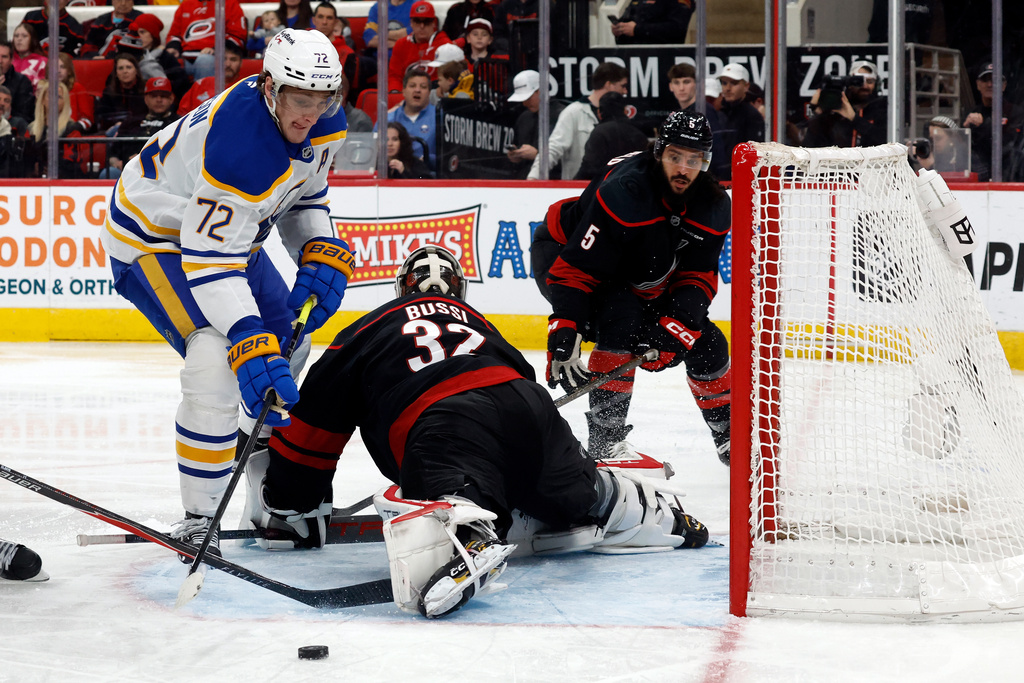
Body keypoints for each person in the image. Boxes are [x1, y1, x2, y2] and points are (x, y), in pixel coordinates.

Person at [247, 244, 709, 618]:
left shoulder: (366, 328)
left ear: (399, 288)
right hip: (530, 410)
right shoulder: (480, 323)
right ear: (459, 291)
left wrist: (292, 508)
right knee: (573, 491)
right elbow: (520, 381)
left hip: (446, 422)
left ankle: (463, 528)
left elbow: (313, 427)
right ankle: (636, 506)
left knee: (454, 483)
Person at [100, 29, 352, 561]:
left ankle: (239, 444)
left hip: (228, 233)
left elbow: (306, 194)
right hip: (156, 238)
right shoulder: (240, 147)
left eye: (321, 100)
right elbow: (210, 262)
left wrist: (319, 246)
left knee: (289, 339)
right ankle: (198, 517)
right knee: (216, 358)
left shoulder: (323, 119)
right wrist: (244, 334)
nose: (310, 113)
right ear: (270, 87)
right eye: (299, 100)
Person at [532, 111, 732, 464]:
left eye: (694, 159)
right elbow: (576, 269)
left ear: (706, 161)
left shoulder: (713, 205)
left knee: (709, 342)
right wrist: (565, 323)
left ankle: (730, 436)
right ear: (658, 153)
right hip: (563, 253)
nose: (683, 169)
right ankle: (606, 442)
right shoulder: (624, 192)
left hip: (635, 274)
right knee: (620, 317)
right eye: (675, 157)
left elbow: (699, 276)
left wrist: (679, 323)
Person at [528, 62, 628, 181]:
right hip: (580, 190)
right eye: (622, 86)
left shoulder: (620, 115)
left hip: (613, 189)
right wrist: (533, 178)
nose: (625, 91)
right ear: (609, 85)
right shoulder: (573, 113)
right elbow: (553, 148)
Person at [803, 60, 886, 151]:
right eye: (858, 82)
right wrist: (817, 113)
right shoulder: (836, 109)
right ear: (849, 83)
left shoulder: (882, 110)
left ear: (877, 85)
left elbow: (887, 143)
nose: (865, 86)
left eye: (870, 81)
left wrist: (854, 119)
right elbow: (809, 149)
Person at [963, 62, 1024, 182]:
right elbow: (964, 152)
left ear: (1004, 85)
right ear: (978, 85)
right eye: (985, 80)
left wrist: (983, 126)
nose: (990, 84)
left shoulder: (1016, 113)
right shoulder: (971, 114)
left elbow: (1010, 148)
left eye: (995, 80)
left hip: (1009, 180)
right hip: (978, 180)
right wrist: (964, 131)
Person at [116, 14, 191, 105]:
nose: (138, 36)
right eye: (135, 32)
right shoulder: (126, 56)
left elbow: (181, 86)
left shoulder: (166, 57)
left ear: (153, 35)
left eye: (142, 32)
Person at [164, 0, 248, 81]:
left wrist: (216, 49)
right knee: (165, 60)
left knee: (204, 61)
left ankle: (205, 94)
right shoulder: (186, 4)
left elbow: (237, 36)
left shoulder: (229, 3)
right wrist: (173, 47)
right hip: (185, 57)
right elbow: (174, 35)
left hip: (213, 57)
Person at [109, 76, 179, 172]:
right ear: (146, 99)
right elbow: (113, 154)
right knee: (111, 172)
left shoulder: (179, 123)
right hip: (128, 171)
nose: (159, 100)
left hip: (163, 171)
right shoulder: (130, 122)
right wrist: (117, 163)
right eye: (154, 96)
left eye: (163, 96)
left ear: (171, 99)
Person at [574, 92, 649, 181]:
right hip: (633, 187)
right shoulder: (640, 134)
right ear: (626, 111)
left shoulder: (599, 132)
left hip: (603, 189)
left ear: (599, 112)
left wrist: (572, 184)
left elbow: (589, 168)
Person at [505, 69, 565, 179]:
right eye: (522, 99)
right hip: (525, 181)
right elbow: (517, 144)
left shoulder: (562, 116)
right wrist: (516, 156)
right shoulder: (524, 118)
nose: (524, 103)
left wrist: (537, 155)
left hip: (554, 182)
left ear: (540, 91)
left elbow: (570, 158)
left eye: (528, 98)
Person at [708, 62, 763, 180]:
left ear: (746, 86)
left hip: (740, 181)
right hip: (715, 181)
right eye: (724, 83)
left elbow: (753, 157)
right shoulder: (717, 113)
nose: (727, 88)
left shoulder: (752, 115)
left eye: (734, 83)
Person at [23, 80, 87, 179]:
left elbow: (73, 163)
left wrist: (52, 169)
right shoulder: (31, 128)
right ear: (43, 100)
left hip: (64, 182)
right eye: (50, 95)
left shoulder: (71, 129)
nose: (54, 100)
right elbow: (25, 159)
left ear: (64, 103)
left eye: (59, 97)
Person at [387, 0, 452, 94]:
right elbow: (394, 76)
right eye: (417, 21)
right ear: (411, 23)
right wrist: (395, 92)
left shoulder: (445, 45)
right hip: (405, 95)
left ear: (434, 23)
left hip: (434, 95)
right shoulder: (401, 44)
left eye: (426, 22)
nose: (422, 26)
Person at [383, 69, 437, 171]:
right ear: (403, 91)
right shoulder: (388, 118)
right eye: (412, 86)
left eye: (423, 87)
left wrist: (429, 159)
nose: (417, 90)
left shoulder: (440, 117)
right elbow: (374, 151)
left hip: (428, 176)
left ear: (429, 92)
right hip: (393, 176)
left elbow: (450, 156)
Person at [175, 41, 246, 116]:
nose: (228, 64)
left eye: (233, 60)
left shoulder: (246, 87)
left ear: (241, 63)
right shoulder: (201, 84)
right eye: (223, 59)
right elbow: (182, 115)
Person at [95, 53, 147, 134]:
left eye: (129, 67)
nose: (125, 71)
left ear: (136, 70)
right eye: (120, 68)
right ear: (116, 73)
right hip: (116, 129)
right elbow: (103, 116)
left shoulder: (146, 90)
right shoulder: (108, 92)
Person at [312, 2, 357, 89]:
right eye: (320, 17)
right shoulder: (301, 43)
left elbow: (346, 91)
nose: (324, 22)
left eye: (329, 18)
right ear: (314, 20)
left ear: (336, 22)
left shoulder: (348, 53)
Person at [611, 0, 694, 45]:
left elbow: (677, 29)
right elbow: (628, 18)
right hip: (634, 55)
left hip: (665, 55)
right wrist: (620, 29)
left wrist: (637, 30)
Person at [22, 0, 86, 57]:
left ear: (67, 0)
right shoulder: (30, 18)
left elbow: (74, 56)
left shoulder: (73, 25)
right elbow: (18, 44)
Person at [0, 41, 36, 124]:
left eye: (4, 57)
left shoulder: (22, 81)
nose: (0, 61)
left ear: (11, 60)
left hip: (10, 127)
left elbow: (24, 115)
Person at [58, 53, 95, 133]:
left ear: (69, 71)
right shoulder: (46, 90)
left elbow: (88, 120)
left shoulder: (77, 88)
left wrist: (74, 127)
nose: (58, 71)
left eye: (62, 67)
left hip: (72, 136)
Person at [11, 23, 47, 94]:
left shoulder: (43, 62)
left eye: (24, 36)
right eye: (16, 36)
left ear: (32, 39)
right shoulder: (7, 60)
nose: (19, 39)